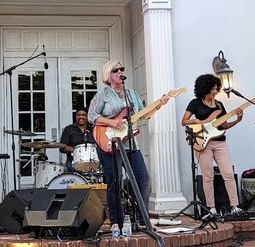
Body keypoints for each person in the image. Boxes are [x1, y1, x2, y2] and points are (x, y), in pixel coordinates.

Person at [88, 59, 169, 226]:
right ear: (108, 75)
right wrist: (112, 123)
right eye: (115, 70)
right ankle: (116, 222)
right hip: (110, 143)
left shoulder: (131, 93)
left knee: (143, 180)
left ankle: (141, 219)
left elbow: (144, 115)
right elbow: (91, 116)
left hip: (130, 144)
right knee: (115, 183)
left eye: (121, 69)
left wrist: (159, 104)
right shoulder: (103, 94)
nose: (119, 72)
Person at [181, 74, 243, 215]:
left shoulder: (219, 105)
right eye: (213, 89)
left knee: (228, 173)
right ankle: (211, 208)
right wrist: (196, 122)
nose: (216, 91)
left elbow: (224, 124)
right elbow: (184, 121)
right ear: (205, 89)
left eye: (217, 89)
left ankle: (235, 206)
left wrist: (238, 120)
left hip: (220, 142)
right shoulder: (195, 103)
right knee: (208, 176)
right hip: (203, 143)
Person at [60, 106, 96, 172]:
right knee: (70, 167)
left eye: (84, 115)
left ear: (87, 117)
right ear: (76, 117)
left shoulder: (93, 129)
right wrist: (76, 150)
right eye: (78, 115)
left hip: (92, 160)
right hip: (73, 161)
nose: (81, 117)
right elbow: (62, 147)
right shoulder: (68, 129)